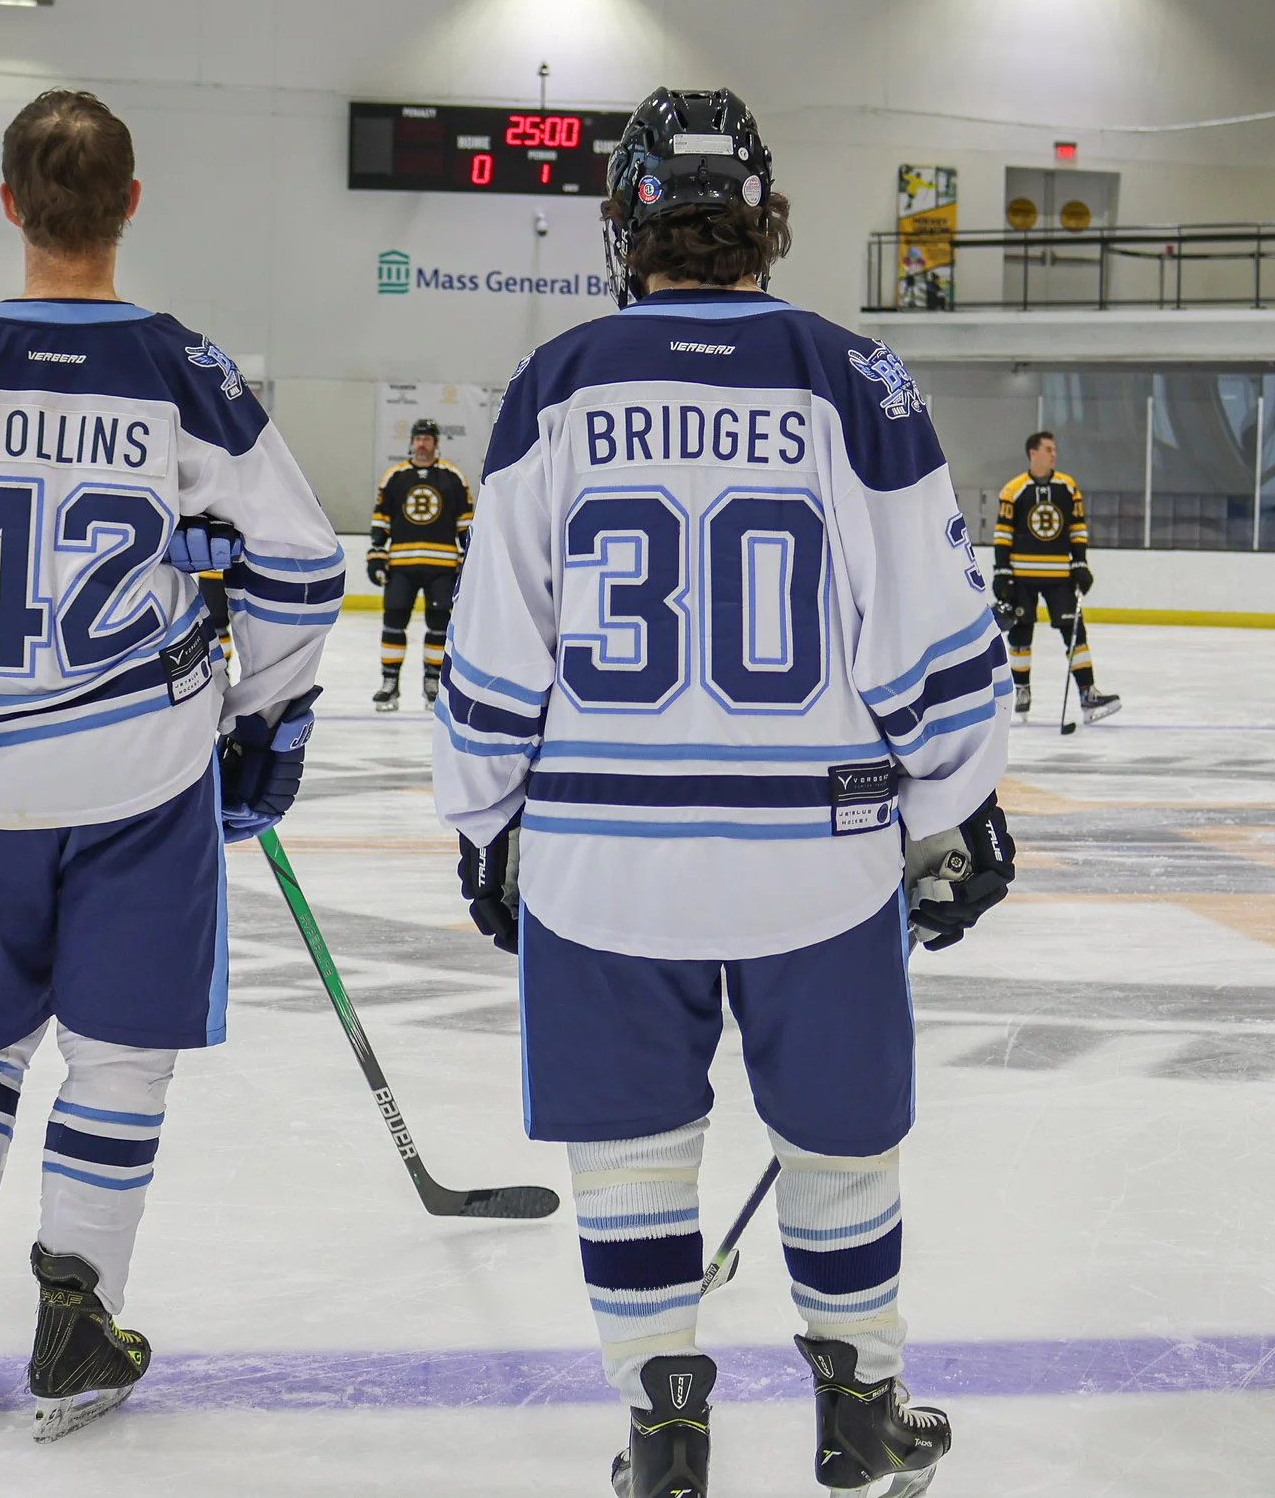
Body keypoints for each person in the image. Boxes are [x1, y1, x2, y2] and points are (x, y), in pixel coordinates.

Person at [432, 87, 1014, 1498]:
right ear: (766, 221)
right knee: (840, 1139)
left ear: (624, 225)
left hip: (603, 853)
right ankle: (860, 1404)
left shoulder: (554, 383)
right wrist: (955, 801)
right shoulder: (854, 377)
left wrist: (485, 820)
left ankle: (663, 1422)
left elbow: (495, 653)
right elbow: (935, 638)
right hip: (816, 851)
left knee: (630, 1152)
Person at [0, 90, 344, 1440]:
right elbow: (298, 560)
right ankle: (75, 1319)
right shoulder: (188, 370)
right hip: (142, 778)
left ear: (8, 204)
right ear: (130, 203)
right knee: (119, 1059)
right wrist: (262, 717)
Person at [994, 431, 1120, 723]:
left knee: (1075, 633)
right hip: (1022, 575)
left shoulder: (1067, 487)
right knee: (1020, 633)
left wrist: (1080, 564)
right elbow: (1003, 535)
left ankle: (1088, 694)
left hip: (1059, 575)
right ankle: (1021, 689)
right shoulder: (1013, 490)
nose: (1053, 454)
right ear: (1032, 453)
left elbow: (1077, 529)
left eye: (1054, 450)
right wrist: (1002, 573)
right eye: (1048, 449)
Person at [364, 416, 473, 710]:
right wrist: (376, 554)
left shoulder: (453, 478)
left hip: (442, 566)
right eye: (417, 438)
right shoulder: (395, 477)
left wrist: (469, 560)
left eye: (427, 438)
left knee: (438, 627)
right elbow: (381, 520)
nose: (421, 443)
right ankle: (390, 684)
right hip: (401, 564)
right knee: (393, 624)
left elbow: (466, 525)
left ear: (436, 444)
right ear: (411, 442)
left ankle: (432, 683)